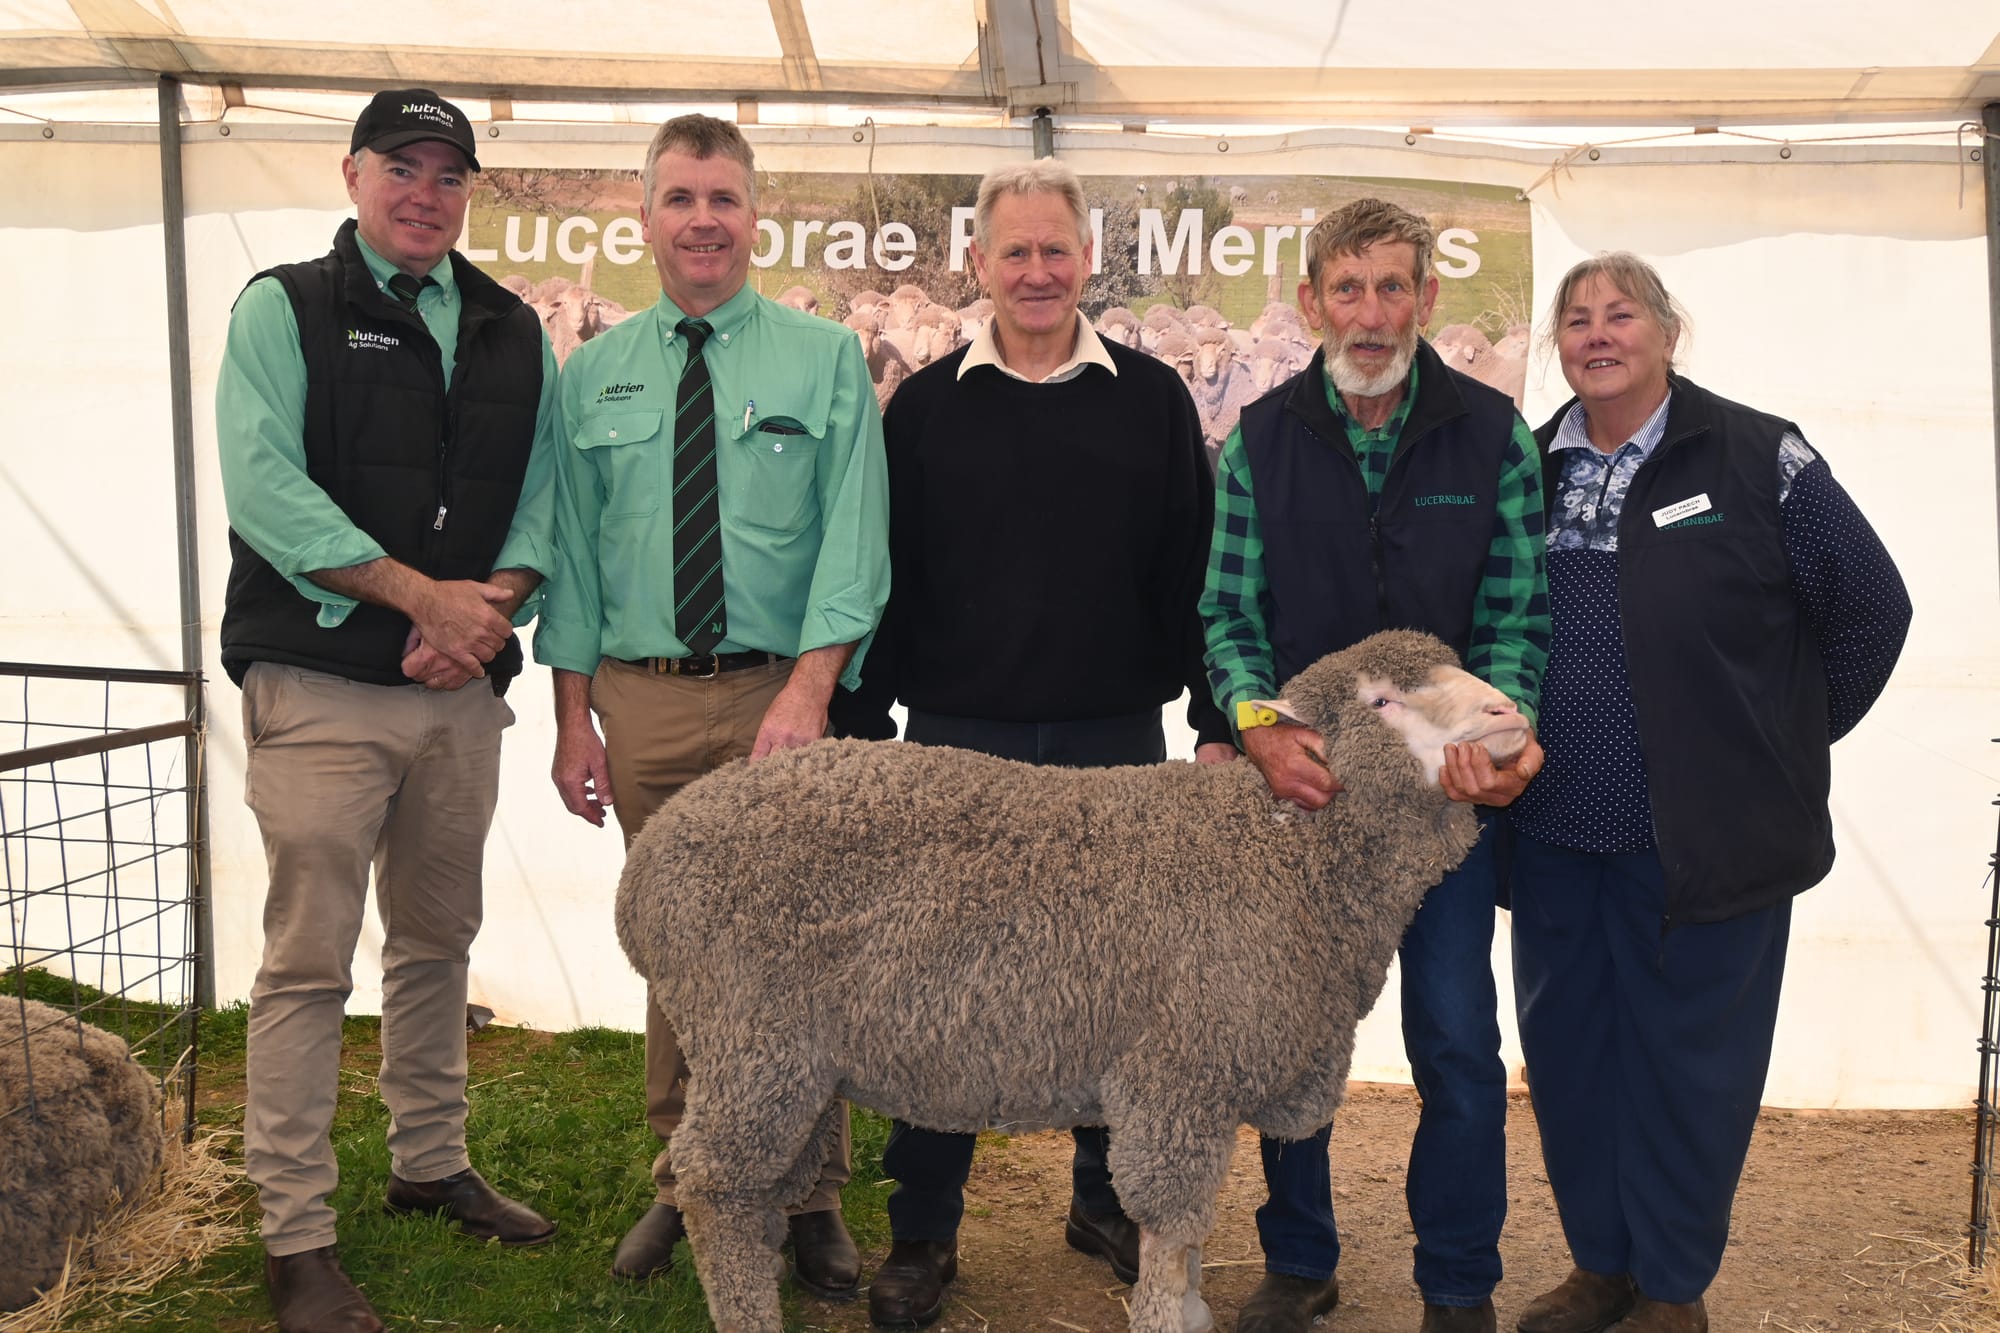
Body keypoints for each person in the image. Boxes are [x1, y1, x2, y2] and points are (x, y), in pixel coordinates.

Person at [831, 158, 1237, 1329]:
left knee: (1114, 981)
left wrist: (1214, 720)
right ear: (978, 265)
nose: (1036, 271)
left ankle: (1101, 1199)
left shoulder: (1153, 399)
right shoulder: (926, 406)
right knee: (940, 984)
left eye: (1055, 250)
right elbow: (883, 575)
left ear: (1087, 261)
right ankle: (923, 1230)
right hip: (957, 742)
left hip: (1116, 739)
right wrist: (865, 730)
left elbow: (1194, 572)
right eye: (1013, 251)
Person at [1505, 254, 1910, 1333]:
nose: (1596, 334)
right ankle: (1602, 1266)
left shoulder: (1755, 453)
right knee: (1571, 1059)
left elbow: (1871, 608)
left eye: (1619, 314)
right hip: (1548, 834)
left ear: (1668, 331)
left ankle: (1672, 1288)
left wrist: (1771, 741)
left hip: (1702, 840)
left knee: (1691, 1067)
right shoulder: (1524, 464)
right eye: (1576, 319)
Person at [215, 87, 560, 1333]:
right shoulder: (287, 307)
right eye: (400, 168)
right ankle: (295, 1235)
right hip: (316, 687)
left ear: (469, 190)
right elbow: (267, 488)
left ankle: (429, 1163)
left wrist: (487, 612)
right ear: (352, 175)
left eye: (447, 173)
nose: (424, 192)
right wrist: (427, 600)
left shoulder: (513, 327)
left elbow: (543, 500)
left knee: (435, 940)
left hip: (456, 695)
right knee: (307, 961)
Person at [534, 113, 890, 1299]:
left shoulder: (823, 357)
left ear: (754, 217)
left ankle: (809, 1197)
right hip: (639, 701)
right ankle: (687, 1183)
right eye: (680, 198)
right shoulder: (592, 371)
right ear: (644, 218)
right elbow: (573, 560)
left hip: (774, 702)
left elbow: (855, 539)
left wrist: (807, 690)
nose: (701, 220)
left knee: (802, 953)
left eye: (722, 199)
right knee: (683, 955)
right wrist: (571, 716)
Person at [1199, 197, 1549, 1333]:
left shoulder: (1492, 435)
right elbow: (1228, 615)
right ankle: (1299, 1262)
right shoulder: (1256, 438)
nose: (1368, 312)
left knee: (1453, 1034)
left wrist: (1491, 737)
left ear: (1426, 300)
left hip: (1440, 807)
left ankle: (1456, 1282)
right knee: (1289, 1032)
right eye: (1345, 289)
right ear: (1308, 302)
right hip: (1306, 798)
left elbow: (1513, 616)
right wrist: (1258, 726)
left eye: (1391, 286)